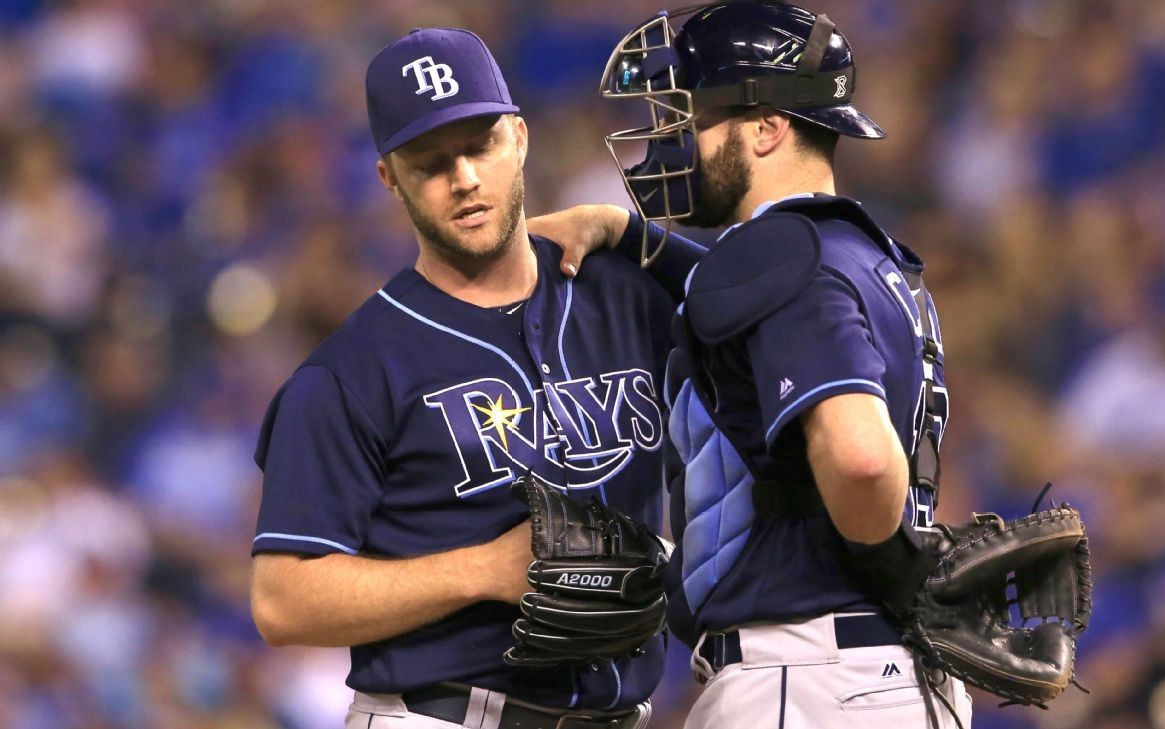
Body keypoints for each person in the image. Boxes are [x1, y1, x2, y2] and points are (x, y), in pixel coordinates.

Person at [538, 3, 970, 727]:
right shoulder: (870, 258)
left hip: (808, 677)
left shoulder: (779, 257)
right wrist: (628, 234)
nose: (676, 139)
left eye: (695, 116)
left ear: (767, 127)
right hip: (888, 674)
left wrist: (886, 561)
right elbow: (747, 299)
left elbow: (862, 461)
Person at [248, 28, 674, 729]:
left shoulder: (627, 297)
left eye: (480, 145)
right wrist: (482, 569)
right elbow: (282, 600)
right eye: (431, 162)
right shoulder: (351, 371)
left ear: (520, 137)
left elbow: (765, 319)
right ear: (390, 177)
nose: (465, 178)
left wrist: (634, 234)